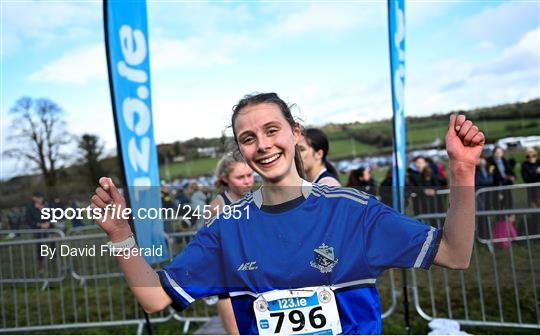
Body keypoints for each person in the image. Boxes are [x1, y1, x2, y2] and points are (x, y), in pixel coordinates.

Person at [90, 92, 484, 335]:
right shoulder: (228, 229)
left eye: (272, 130)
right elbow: (155, 299)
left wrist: (462, 172)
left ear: (296, 133)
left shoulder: (353, 213)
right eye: (248, 138)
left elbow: (455, 253)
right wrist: (120, 235)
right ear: (240, 150)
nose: (262, 145)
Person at [207, 152, 254, 335]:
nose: (247, 181)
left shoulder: (256, 200)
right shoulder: (217, 207)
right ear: (226, 179)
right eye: (240, 177)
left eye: (249, 175)